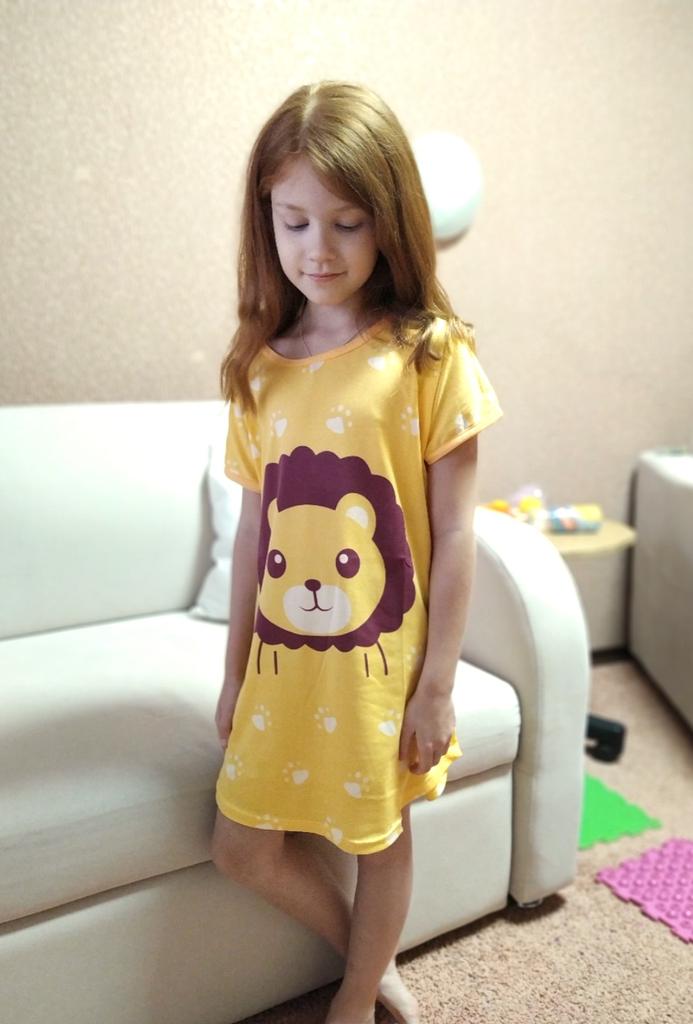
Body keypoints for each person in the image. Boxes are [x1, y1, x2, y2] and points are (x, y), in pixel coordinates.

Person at [210, 80, 503, 1024]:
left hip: (382, 667)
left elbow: (455, 531)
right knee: (239, 847)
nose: (318, 250)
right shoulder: (259, 365)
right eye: (294, 222)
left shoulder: (428, 353)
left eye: (346, 223)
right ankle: (371, 963)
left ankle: (353, 998)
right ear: (265, 218)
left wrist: (437, 685)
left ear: (390, 222)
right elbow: (254, 534)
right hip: (281, 665)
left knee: (380, 834)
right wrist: (234, 672)